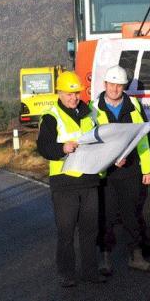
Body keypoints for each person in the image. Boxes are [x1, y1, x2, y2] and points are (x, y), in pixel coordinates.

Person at [36, 71, 106, 288]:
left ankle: (90, 271)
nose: (73, 98)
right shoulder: (51, 116)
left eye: (76, 94)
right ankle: (67, 273)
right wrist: (62, 148)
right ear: (59, 92)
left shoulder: (90, 113)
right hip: (64, 182)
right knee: (66, 231)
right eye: (68, 94)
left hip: (89, 179)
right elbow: (44, 147)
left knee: (89, 229)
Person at [91, 65, 150, 275]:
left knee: (132, 214)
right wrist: (109, 160)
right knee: (106, 215)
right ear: (105, 84)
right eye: (111, 84)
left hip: (130, 171)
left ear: (124, 87)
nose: (115, 89)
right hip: (106, 173)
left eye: (119, 85)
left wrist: (148, 169)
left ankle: (135, 255)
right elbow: (91, 142)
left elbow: (144, 139)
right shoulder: (93, 109)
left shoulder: (135, 106)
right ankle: (105, 257)